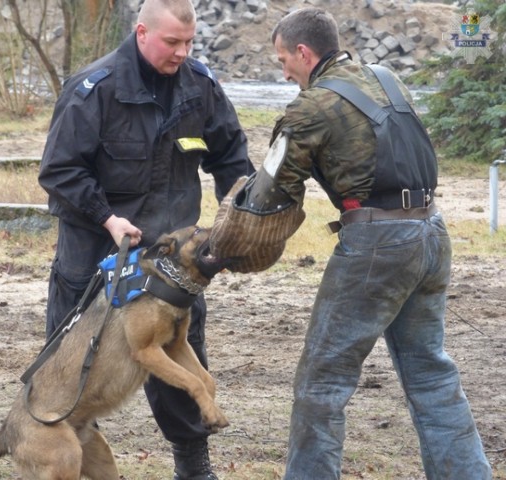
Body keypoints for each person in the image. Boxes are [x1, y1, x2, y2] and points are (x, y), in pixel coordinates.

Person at [265, 7, 492, 480]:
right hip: (432, 231)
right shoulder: (388, 79)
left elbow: (271, 191)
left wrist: (227, 246)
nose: (283, 71)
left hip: (377, 243)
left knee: (320, 382)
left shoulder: (312, 106)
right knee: (431, 372)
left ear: (304, 53)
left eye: (283, 59)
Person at [37, 0, 255, 477]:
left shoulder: (200, 86)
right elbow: (59, 171)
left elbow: (232, 156)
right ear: (141, 33)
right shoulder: (94, 89)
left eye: (189, 42)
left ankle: (194, 467)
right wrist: (107, 217)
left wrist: (241, 215)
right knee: (74, 366)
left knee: (181, 348)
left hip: (169, 259)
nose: (182, 52)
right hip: (95, 248)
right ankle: (72, 459)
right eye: (172, 42)